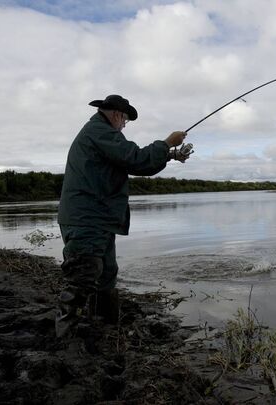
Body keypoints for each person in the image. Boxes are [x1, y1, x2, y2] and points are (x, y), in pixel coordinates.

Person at [56, 94, 188, 337]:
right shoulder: (99, 131)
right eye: (125, 120)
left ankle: (104, 328)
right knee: (83, 275)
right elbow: (135, 159)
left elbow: (130, 161)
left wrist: (169, 156)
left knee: (106, 274)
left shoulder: (101, 134)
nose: (124, 125)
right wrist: (167, 143)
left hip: (98, 219)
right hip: (86, 219)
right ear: (117, 114)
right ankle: (66, 337)